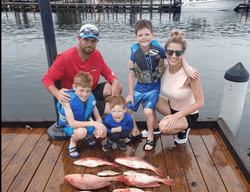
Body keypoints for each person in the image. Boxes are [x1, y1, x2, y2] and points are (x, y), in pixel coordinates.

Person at [125, 19, 198, 151]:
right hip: (141, 87)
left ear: (152, 35)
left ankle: (152, 137)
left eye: (147, 34)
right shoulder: (135, 52)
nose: (144, 38)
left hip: (156, 89)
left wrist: (187, 68)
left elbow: (175, 54)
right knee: (127, 107)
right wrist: (130, 93)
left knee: (148, 111)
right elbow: (131, 74)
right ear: (136, 37)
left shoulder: (158, 49)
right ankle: (136, 131)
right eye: (140, 35)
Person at [42, 23, 122, 139]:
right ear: (79, 38)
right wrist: (57, 93)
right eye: (86, 40)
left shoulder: (97, 55)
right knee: (115, 109)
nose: (89, 44)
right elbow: (47, 78)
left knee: (117, 87)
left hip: (90, 94)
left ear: (97, 42)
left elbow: (108, 73)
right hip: (76, 99)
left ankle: (100, 116)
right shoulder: (65, 58)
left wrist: (115, 82)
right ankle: (97, 117)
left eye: (93, 41)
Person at [156, 30, 204, 143]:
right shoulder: (164, 68)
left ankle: (184, 129)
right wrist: (132, 64)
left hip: (187, 115)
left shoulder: (191, 74)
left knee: (163, 127)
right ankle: (153, 128)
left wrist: (177, 116)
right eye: (170, 52)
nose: (173, 56)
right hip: (171, 107)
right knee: (147, 97)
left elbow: (200, 103)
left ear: (183, 53)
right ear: (165, 52)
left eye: (178, 53)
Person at [57, 71, 107, 158]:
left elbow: (98, 117)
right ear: (74, 87)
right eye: (81, 90)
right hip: (70, 126)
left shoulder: (90, 97)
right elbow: (72, 123)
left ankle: (86, 135)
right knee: (81, 132)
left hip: (85, 122)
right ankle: (73, 142)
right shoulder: (67, 100)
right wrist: (94, 123)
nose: (85, 94)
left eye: (88, 91)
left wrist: (99, 126)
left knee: (103, 132)